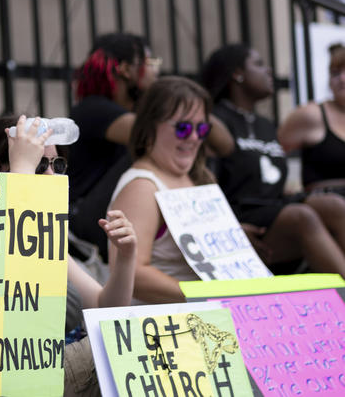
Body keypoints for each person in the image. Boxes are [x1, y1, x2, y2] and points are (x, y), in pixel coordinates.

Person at [0, 114, 138, 397]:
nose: (51, 176)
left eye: (57, 165)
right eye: (38, 165)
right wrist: (20, 174)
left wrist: (125, 257)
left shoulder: (45, 234)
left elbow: (104, 309)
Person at [68, 33, 232, 261]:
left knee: (188, 156)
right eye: (150, 63)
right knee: (162, 147)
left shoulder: (139, 113)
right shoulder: (93, 109)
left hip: (115, 213)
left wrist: (190, 108)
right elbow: (155, 135)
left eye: (200, 129)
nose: (156, 71)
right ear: (126, 70)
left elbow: (225, 145)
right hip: (85, 222)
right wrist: (173, 99)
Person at [201, 44, 345, 277]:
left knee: (333, 205)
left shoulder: (266, 125)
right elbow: (202, 181)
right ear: (237, 74)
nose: (269, 70)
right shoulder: (214, 121)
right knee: (301, 216)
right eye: (258, 64)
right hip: (240, 217)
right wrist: (227, 227)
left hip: (274, 210)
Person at [109, 77, 214, 304]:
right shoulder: (142, 187)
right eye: (183, 128)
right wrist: (209, 295)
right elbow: (131, 275)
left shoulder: (200, 178)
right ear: (150, 127)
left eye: (202, 128)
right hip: (164, 328)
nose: (194, 137)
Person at [278, 43, 345, 195]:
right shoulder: (311, 115)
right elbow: (269, 152)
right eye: (335, 73)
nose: (342, 79)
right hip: (325, 204)